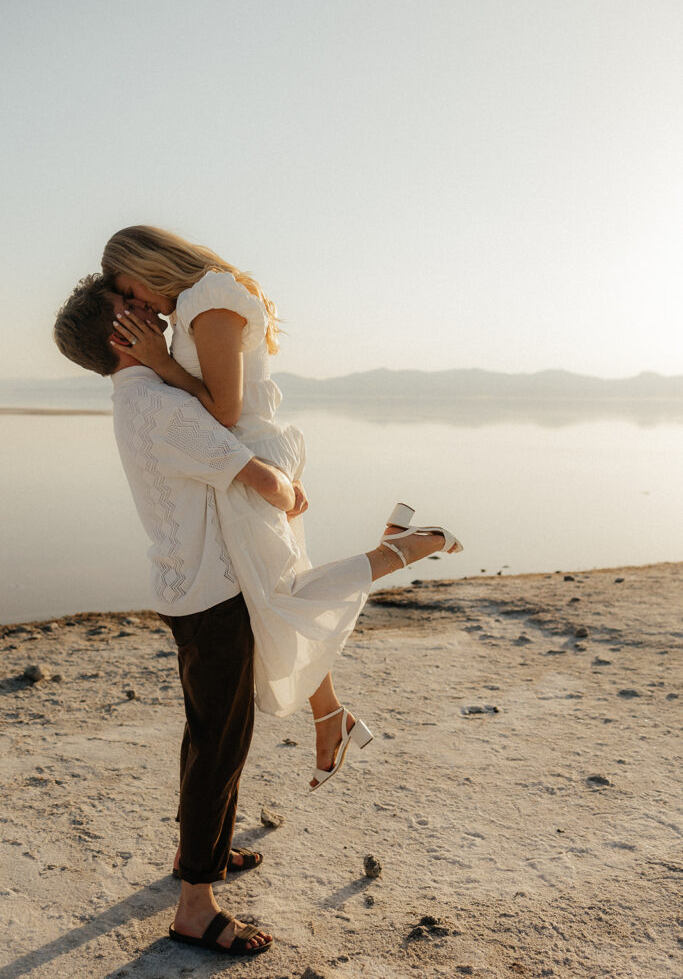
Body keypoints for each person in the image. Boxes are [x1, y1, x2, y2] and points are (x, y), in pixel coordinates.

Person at [101, 225, 464, 790]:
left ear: (149, 264)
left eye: (133, 292)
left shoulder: (209, 300)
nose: (139, 307)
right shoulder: (201, 302)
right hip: (238, 460)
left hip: (244, 463)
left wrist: (160, 364)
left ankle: (394, 552)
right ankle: (330, 717)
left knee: (276, 601)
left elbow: (223, 410)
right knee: (272, 603)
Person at [53, 274, 290, 956]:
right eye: (135, 310)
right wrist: (290, 485)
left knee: (209, 734)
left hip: (185, 586)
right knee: (220, 743)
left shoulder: (139, 401)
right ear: (118, 337)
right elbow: (267, 482)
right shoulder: (163, 408)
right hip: (213, 594)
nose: (157, 312)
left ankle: (206, 853)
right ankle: (195, 904)